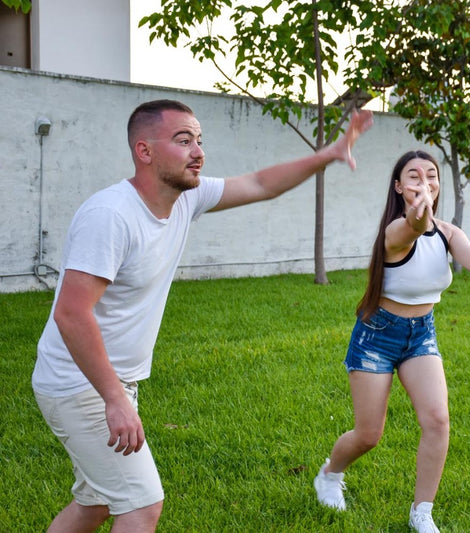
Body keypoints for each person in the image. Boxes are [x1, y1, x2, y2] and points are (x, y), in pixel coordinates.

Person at [31, 99, 373, 532]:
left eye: (199, 140)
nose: (198, 151)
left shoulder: (184, 201)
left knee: (97, 502)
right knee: (141, 506)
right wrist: (114, 399)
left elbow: (260, 183)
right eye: (183, 140)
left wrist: (328, 153)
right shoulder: (111, 216)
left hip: (109, 380)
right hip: (79, 383)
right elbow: (71, 313)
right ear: (145, 151)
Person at [313, 150, 470, 532]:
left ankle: (422, 511)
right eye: (414, 176)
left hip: (421, 335)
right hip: (377, 336)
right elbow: (414, 227)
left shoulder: (449, 232)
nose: (424, 181)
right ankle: (330, 474)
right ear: (399, 186)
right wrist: (419, 214)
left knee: (437, 420)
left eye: (431, 175)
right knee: (369, 434)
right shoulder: (395, 232)